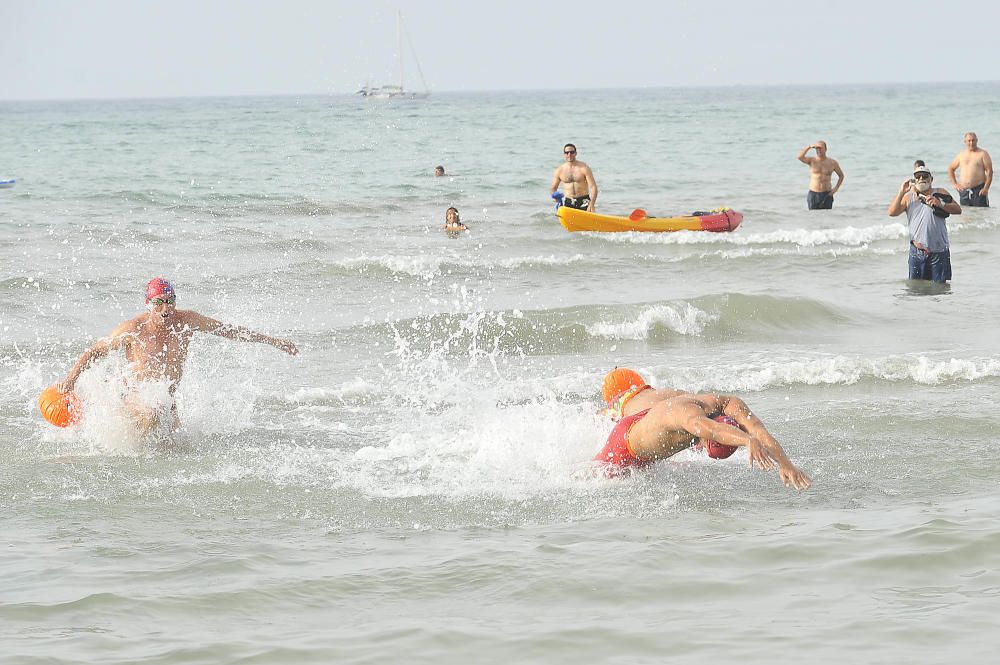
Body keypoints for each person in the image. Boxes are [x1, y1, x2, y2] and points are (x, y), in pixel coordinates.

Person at [58, 277, 298, 435]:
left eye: (170, 302)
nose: (166, 310)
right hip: (135, 398)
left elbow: (227, 330)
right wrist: (70, 380)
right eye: (159, 303)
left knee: (174, 448)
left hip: (166, 402)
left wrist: (272, 341)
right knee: (152, 414)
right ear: (148, 303)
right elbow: (95, 352)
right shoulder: (133, 329)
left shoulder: (187, 321)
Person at [593, 368, 811, 490]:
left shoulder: (726, 403)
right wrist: (747, 441)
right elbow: (710, 429)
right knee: (593, 479)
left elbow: (758, 430)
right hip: (626, 443)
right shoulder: (691, 416)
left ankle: (606, 410)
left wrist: (786, 464)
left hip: (649, 413)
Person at [888, 163, 961, 283]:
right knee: (916, 289)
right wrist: (901, 192)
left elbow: (958, 210)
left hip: (939, 251)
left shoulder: (940, 192)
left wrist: (940, 204)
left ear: (931, 179)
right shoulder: (908, 197)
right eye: (918, 176)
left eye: (924, 176)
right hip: (917, 252)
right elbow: (892, 212)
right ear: (914, 180)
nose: (921, 179)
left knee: (939, 289)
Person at [947, 132, 992, 207]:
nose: (971, 143)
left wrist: (986, 188)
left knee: (981, 213)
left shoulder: (983, 154)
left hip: (979, 190)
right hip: (963, 191)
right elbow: (951, 169)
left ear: (977, 140)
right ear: (965, 142)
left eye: (973, 140)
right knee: (966, 214)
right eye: (969, 141)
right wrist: (955, 184)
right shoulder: (961, 154)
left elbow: (990, 172)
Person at [797, 140, 845, 209]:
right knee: (812, 217)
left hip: (827, 194)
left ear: (826, 149)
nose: (818, 150)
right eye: (817, 148)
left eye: (820, 148)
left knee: (827, 217)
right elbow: (799, 157)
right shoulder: (812, 160)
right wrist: (809, 147)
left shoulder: (832, 163)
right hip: (813, 194)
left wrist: (835, 189)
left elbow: (841, 176)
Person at [549, 143, 598, 212]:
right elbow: (553, 188)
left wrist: (592, 204)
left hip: (584, 201)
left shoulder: (584, 168)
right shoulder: (560, 170)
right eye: (567, 153)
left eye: (572, 152)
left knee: (585, 222)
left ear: (576, 153)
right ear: (564, 154)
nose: (569, 155)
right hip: (568, 202)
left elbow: (593, 187)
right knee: (567, 222)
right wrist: (556, 199)